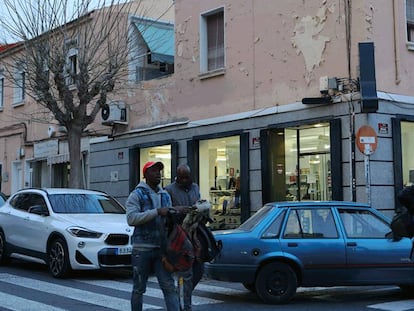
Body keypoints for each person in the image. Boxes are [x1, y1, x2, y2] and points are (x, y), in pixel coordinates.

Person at [126, 161, 180, 311]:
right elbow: (131, 219)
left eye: (159, 171)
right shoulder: (136, 195)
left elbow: (169, 219)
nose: (158, 173)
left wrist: (174, 214)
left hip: (162, 250)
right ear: (145, 175)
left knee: (169, 287)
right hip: (142, 249)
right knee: (139, 288)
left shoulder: (165, 195)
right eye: (153, 170)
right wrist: (157, 212)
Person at [164, 163, 201, 311]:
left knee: (196, 272)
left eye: (187, 177)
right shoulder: (169, 190)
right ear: (177, 177)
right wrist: (179, 210)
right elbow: (167, 210)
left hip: (193, 233)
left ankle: (185, 300)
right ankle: (182, 306)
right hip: (177, 236)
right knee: (183, 274)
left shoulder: (195, 187)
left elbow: (199, 201)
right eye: (182, 177)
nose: (185, 180)